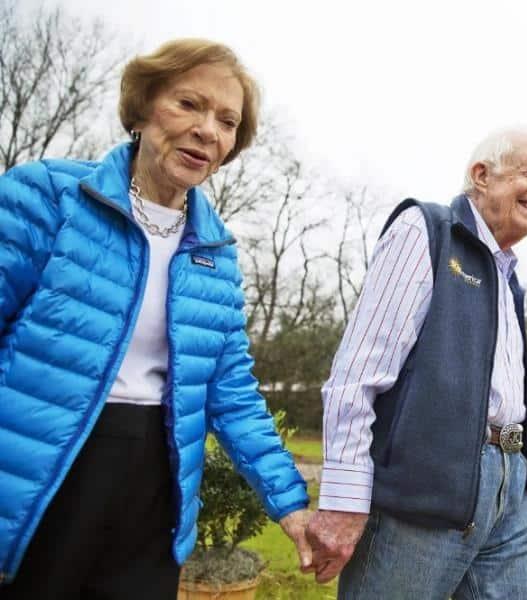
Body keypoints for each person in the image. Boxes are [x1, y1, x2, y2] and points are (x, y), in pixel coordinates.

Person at [0, 39, 311, 598]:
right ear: (142, 108)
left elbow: (232, 391)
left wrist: (290, 503)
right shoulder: (47, 195)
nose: (206, 130)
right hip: (41, 474)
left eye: (226, 121)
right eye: (188, 104)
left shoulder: (215, 253)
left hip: (154, 490)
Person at [305, 128, 527, 599]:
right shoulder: (427, 230)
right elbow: (356, 375)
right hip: (424, 490)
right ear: (481, 175)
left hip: (509, 489)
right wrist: (343, 499)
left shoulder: (508, 278)